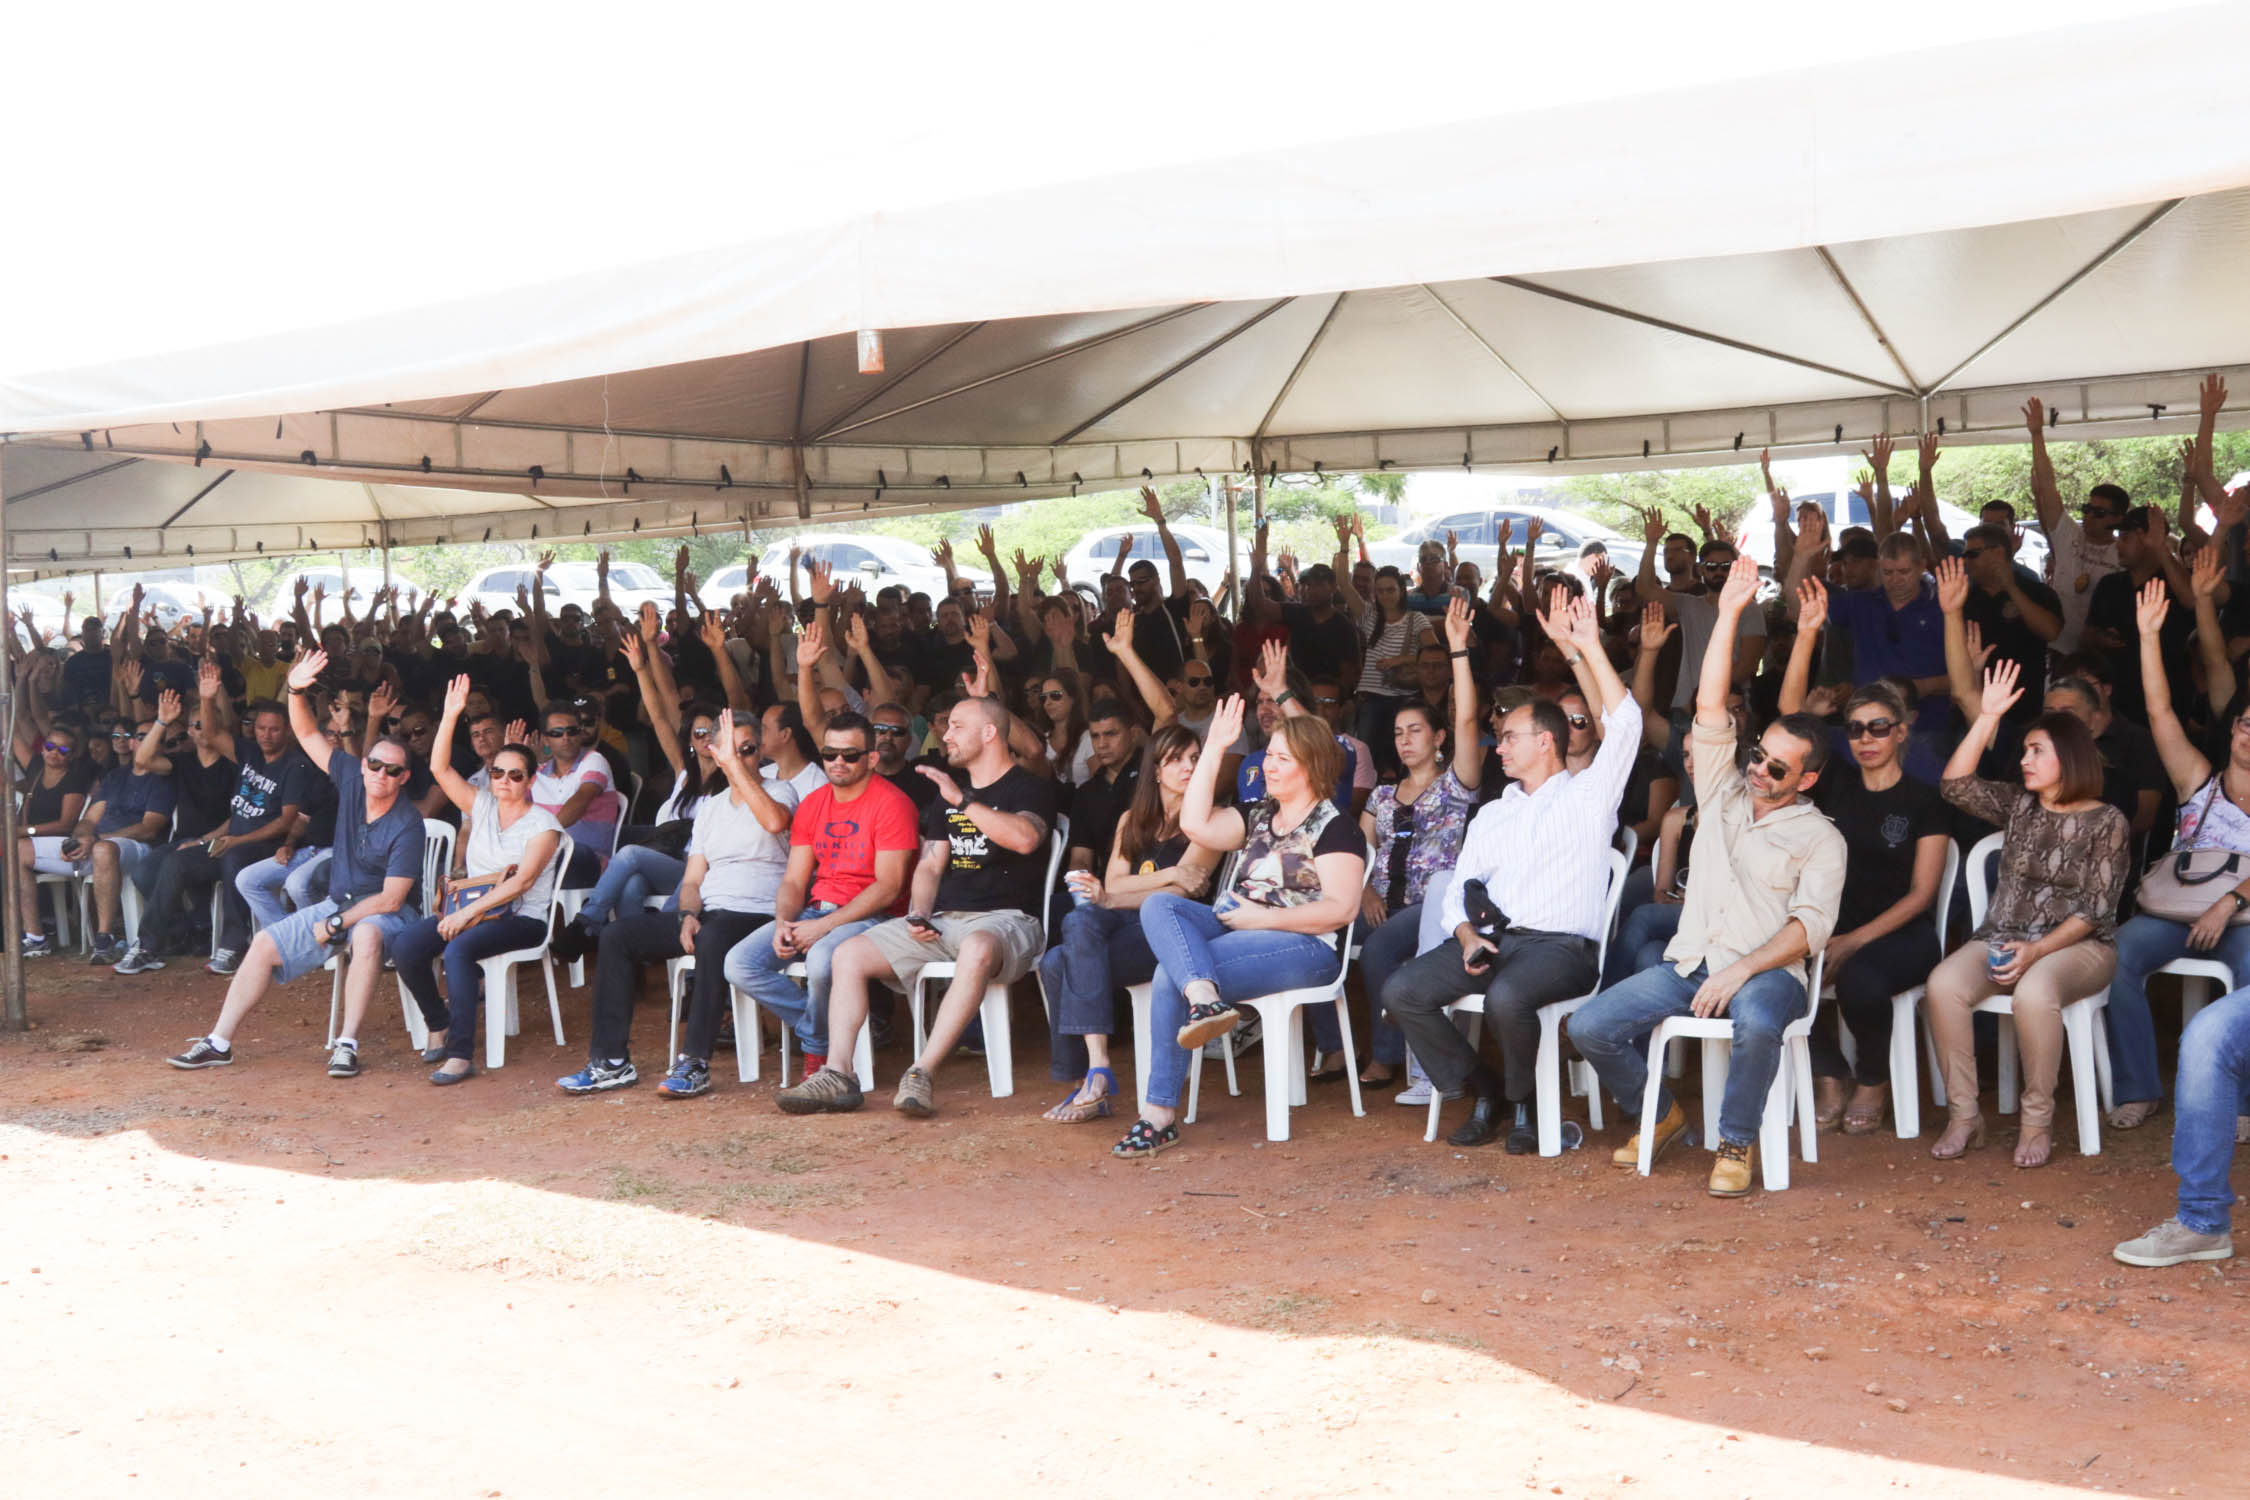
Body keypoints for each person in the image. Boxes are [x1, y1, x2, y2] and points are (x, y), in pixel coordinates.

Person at [1569, 558, 1846, 1197]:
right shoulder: (1720, 788)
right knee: (1589, 1026)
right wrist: (1726, 614)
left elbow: (1809, 930)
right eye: (1758, 756)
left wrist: (1741, 969)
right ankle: (1662, 1112)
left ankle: (1736, 1141)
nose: (1758, 771)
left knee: (1755, 1022)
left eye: (1777, 769)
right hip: (1691, 962)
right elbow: (1710, 701)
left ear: (1805, 780)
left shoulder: (1821, 838)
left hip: (1769, 975)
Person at [1381, 594, 1638, 1150]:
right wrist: (1465, 933)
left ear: (1546, 742)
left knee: (1506, 999)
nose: (1500, 746)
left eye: (1512, 738)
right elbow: (1460, 887)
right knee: (1402, 989)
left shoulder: (1590, 795)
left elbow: (1627, 723)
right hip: (1493, 940)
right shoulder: (1494, 812)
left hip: (1562, 948)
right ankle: (1486, 1092)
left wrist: (1585, 646)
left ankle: (1526, 1109)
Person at [777, 696, 1061, 1117]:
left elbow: (1025, 839)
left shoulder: (1030, 786)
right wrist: (920, 912)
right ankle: (839, 1073)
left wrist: (963, 803)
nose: (945, 734)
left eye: (957, 726)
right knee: (848, 955)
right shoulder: (950, 793)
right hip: (944, 922)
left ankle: (922, 1071)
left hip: (1007, 922)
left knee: (978, 947)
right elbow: (929, 865)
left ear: (989, 733)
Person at [1109, 702, 1367, 1157]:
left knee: (1172, 975)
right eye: (1269, 754)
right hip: (1240, 926)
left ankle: (1157, 1116)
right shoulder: (1259, 815)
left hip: (1304, 945)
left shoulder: (1335, 827)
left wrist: (1262, 918)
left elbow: (1341, 909)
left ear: (1313, 766)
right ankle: (1204, 999)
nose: (1268, 764)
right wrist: (1213, 746)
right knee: (1160, 903)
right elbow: (1195, 823)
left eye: (1282, 758)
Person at [167, 648, 426, 1077]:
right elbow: (306, 734)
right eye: (375, 765)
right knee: (264, 945)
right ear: (363, 766)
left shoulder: (408, 824)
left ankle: (347, 1044)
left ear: (405, 778)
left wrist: (336, 923)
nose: (382, 774)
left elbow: (391, 899)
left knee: (365, 934)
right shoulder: (350, 779)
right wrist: (295, 688)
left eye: (393, 771)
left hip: (390, 912)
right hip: (339, 903)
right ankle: (218, 1041)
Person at [1925, 660, 2131, 1168]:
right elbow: (1954, 784)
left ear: (2070, 755)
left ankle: (2036, 1122)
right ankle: (1965, 1117)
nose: (2025, 760)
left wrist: (2036, 951)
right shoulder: (2021, 805)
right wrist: (1987, 716)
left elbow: (2096, 909)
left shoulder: (2107, 821)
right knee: (1943, 984)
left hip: (2081, 947)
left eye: (2037, 750)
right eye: (2024, 750)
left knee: (2037, 991)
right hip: (2002, 937)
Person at [555, 708, 795, 1096]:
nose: (742, 757)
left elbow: (773, 822)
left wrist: (734, 769)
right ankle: (610, 1061)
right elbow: (693, 878)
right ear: (714, 753)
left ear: (761, 751)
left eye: (749, 750)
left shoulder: (781, 790)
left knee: (713, 939)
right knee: (617, 936)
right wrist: (687, 913)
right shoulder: (712, 809)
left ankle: (694, 1062)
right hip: (710, 910)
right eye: (732, 751)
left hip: (758, 912)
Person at [2102, 576, 2250, 1131]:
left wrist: (2229, 902)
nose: (2249, 736)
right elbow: (2160, 711)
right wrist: (2148, 637)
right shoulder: (2198, 779)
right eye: (2245, 724)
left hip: (2241, 916)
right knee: (2116, 958)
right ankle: (2139, 1087)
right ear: (2233, 727)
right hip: (2175, 912)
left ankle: (2243, 1103)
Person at [1038, 724, 1222, 1124]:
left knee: (1058, 961)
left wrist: (1123, 892)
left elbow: (1183, 891)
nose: (1187, 767)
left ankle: (1091, 1078)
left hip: (1170, 934)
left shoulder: (1209, 822)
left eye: (1194, 758)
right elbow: (1121, 883)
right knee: (1079, 921)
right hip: (1120, 923)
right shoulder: (1130, 820)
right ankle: (1098, 1067)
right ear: (1155, 768)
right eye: (1176, 759)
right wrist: (1168, 874)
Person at [727, 712, 918, 1090]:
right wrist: (785, 920)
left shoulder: (893, 803)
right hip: (817, 912)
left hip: (875, 918)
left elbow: (888, 887)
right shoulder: (814, 804)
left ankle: (817, 1054)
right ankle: (826, 1026)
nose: (838, 763)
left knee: (819, 958)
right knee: (739, 964)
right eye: (830, 754)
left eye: (850, 755)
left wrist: (823, 927)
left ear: (872, 759)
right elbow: (795, 879)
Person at [391, 676, 564, 1083]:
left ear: (531, 780)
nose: (504, 781)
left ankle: (461, 1054)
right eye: (499, 773)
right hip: (474, 912)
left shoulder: (544, 825)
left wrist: (466, 914)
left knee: (458, 951)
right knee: (406, 946)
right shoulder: (482, 804)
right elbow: (438, 767)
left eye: (515, 775)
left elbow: (521, 884)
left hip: (521, 918)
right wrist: (450, 715)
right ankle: (439, 1021)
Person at [1347, 597, 1485, 1090]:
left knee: (1382, 944)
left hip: (1431, 906)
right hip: (1381, 901)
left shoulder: (1455, 785)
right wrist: (1363, 890)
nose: (1405, 741)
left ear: (1439, 737)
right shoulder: (1383, 794)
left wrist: (1457, 653)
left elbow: (1469, 722)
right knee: (1324, 938)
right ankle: (1332, 1045)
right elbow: (1362, 849)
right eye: (1398, 733)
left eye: (1415, 731)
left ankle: (1388, 1052)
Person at [148, 675, 309, 977]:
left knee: (234, 858)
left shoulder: (295, 765)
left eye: (274, 729)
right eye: (261, 728)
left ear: (287, 730)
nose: (266, 735)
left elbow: (285, 821)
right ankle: (147, 944)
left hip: (267, 846)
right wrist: (207, 699)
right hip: (230, 841)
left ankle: (234, 944)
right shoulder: (247, 751)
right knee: (176, 861)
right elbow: (209, 733)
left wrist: (237, 841)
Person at [62, 715, 176, 965]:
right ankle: (33, 937)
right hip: (95, 844)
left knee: (103, 849)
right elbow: (89, 818)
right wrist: (79, 838)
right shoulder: (115, 777)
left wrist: (96, 839)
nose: (147, 741)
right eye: (141, 736)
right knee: (21, 849)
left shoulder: (164, 778)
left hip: (138, 848)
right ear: (132, 743)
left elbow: (149, 828)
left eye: (153, 736)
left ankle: (104, 939)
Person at [2022, 397, 2123, 656]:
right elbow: (2047, 486)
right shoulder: (2069, 534)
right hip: (2057, 649)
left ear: (2118, 519)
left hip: (2099, 655)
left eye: (2099, 513)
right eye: (2087, 509)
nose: (2089, 516)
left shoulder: (2123, 554)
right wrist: (2036, 434)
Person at [13, 721, 94, 957]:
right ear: (42, 748)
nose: (54, 753)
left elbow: (66, 824)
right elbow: (13, 734)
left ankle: (36, 937)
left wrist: (25, 831)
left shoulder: (74, 779)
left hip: (64, 847)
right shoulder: (36, 766)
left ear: (72, 755)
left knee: (16, 850)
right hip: (33, 846)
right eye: (50, 746)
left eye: (63, 750)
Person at [532, 701, 622, 889]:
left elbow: (580, 801)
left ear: (580, 734)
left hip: (589, 859)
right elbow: (509, 807)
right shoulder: (537, 775)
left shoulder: (594, 760)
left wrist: (545, 837)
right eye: (556, 733)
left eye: (571, 731)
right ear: (545, 740)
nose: (565, 737)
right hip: (547, 854)